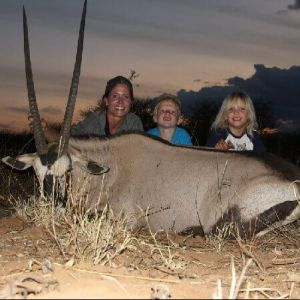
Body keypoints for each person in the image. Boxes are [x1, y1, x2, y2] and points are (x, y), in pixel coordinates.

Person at [30, 75, 144, 142]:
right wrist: (46, 130)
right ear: (106, 101)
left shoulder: (134, 123)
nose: (120, 101)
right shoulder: (93, 120)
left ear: (131, 102)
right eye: (115, 96)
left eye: (126, 97)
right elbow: (66, 141)